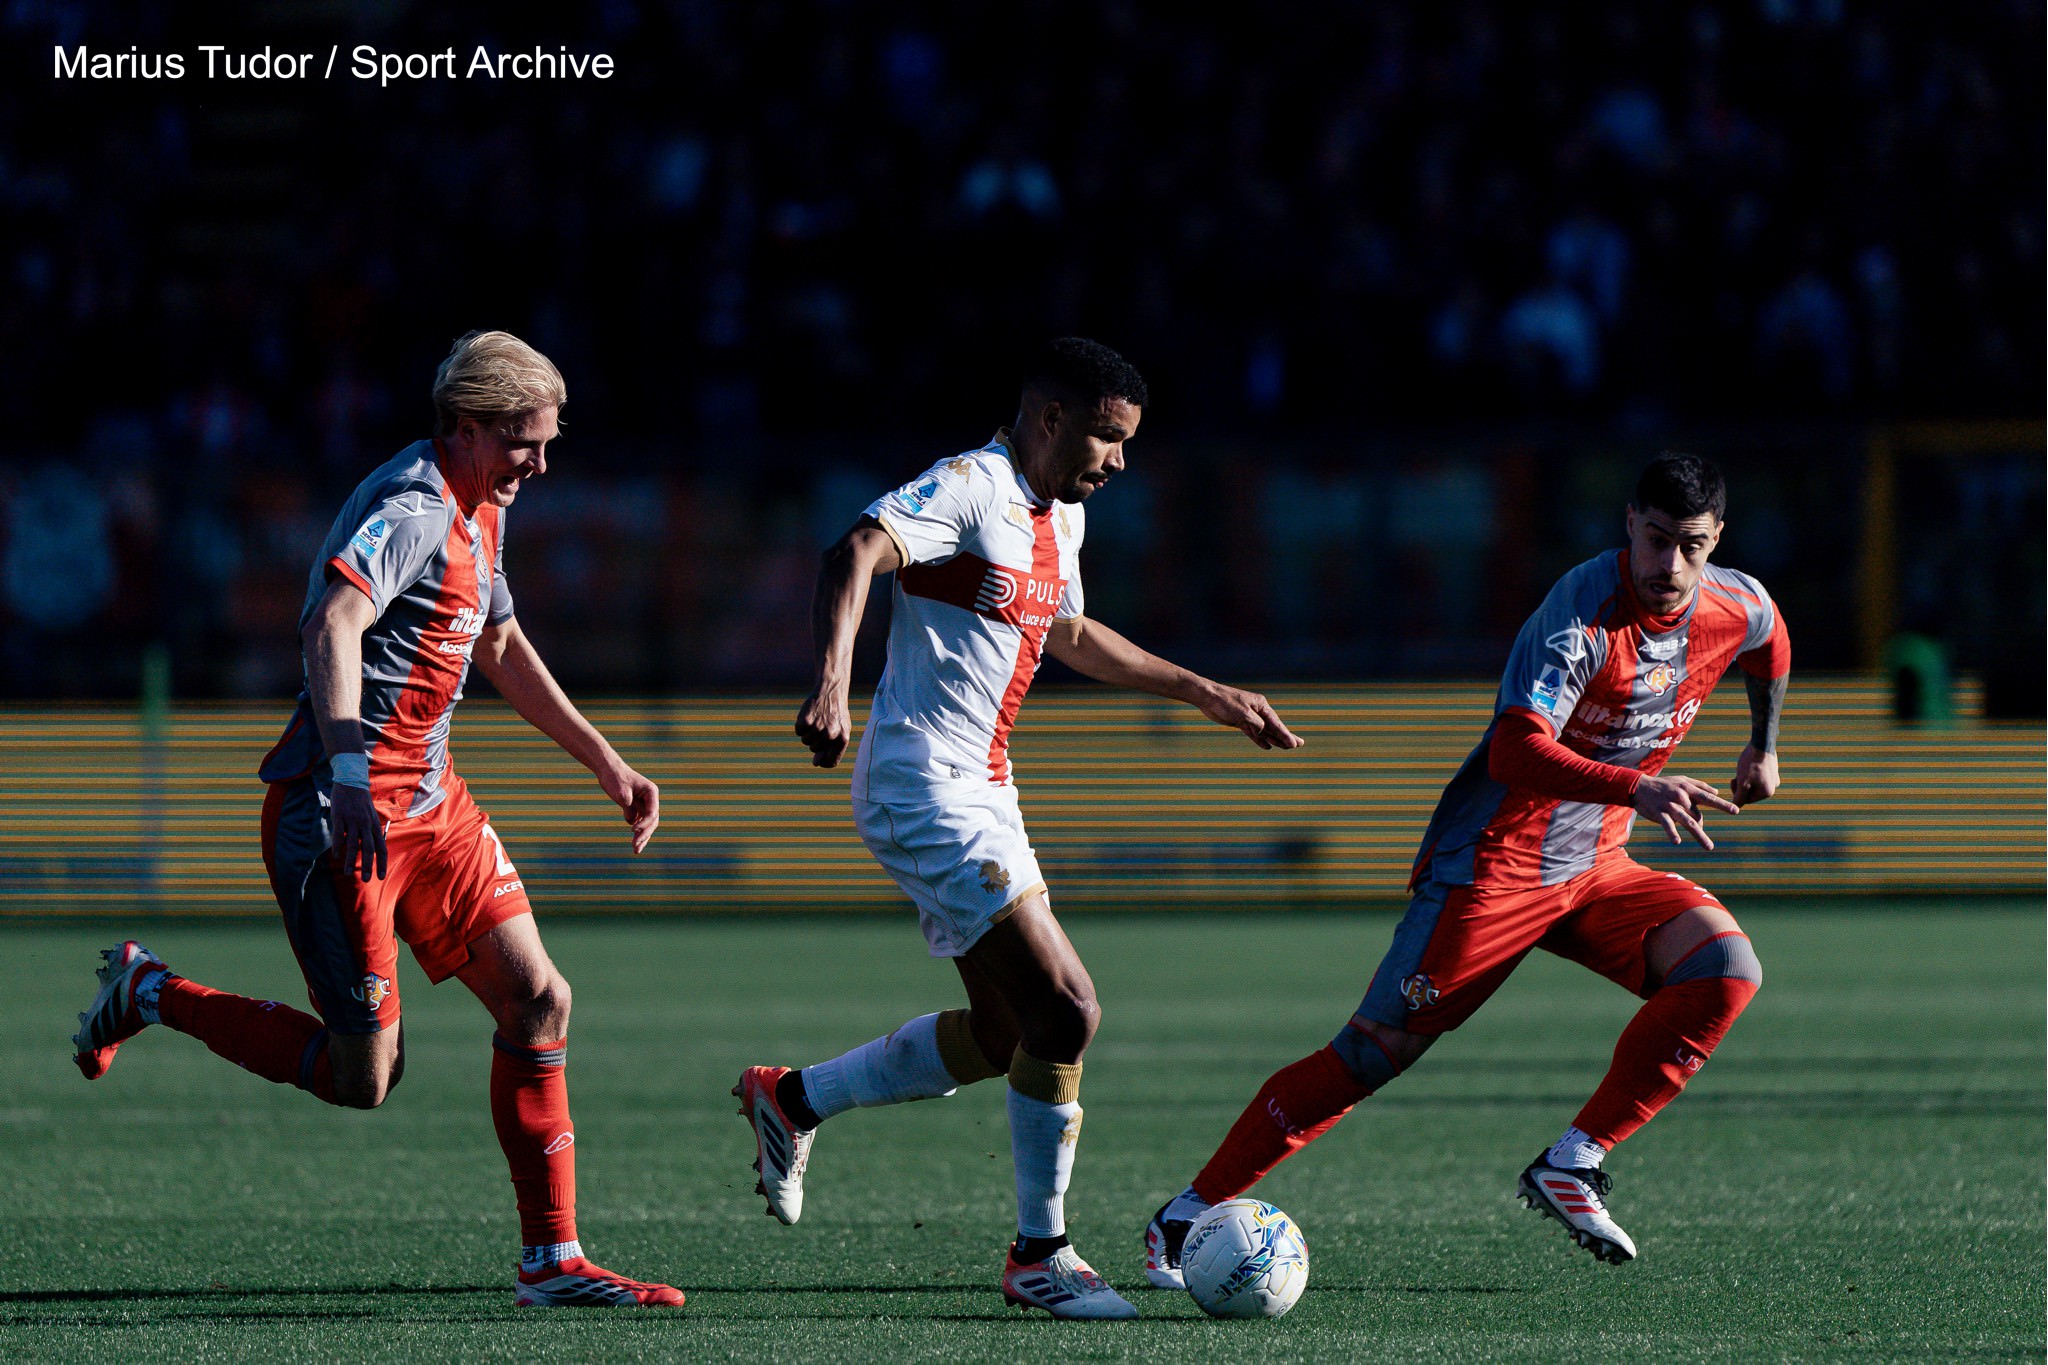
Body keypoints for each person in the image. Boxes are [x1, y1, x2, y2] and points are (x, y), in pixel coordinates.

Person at [71, 331, 685, 1309]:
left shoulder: (483, 505)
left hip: (432, 805)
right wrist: (352, 772)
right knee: (364, 1081)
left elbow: (499, 640)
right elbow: (330, 622)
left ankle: (552, 1263)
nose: (541, 461)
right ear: (471, 429)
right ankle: (150, 991)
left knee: (539, 999)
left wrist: (606, 764)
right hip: (338, 818)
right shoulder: (413, 508)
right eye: (526, 441)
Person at [738, 337, 1303, 1319]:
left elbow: (1072, 633)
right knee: (1070, 1009)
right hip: (923, 788)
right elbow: (855, 550)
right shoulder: (968, 486)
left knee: (1008, 1034)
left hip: (985, 790)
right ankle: (1039, 1256)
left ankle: (791, 1101)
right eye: (1105, 436)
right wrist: (829, 685)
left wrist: (1201, 690)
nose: (1118, 460)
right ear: (1049, 418)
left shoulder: (1058, 519)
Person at [1146, 451, 1790, 1277]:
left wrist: (1764, 745)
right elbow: (1519, 752)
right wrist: (1637, 786)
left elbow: (1772, 637)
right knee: (1372, 1053)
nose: (1670, 565)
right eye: (1657, 539)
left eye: (1691, 546)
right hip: (1496, 865)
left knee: (1727, 965)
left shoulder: (1734, 600)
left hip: (1597, 865)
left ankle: (1575, 1158)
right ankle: (1185, 1213)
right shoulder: (1580, 615)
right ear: (1629, 522)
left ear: (1717, 539)